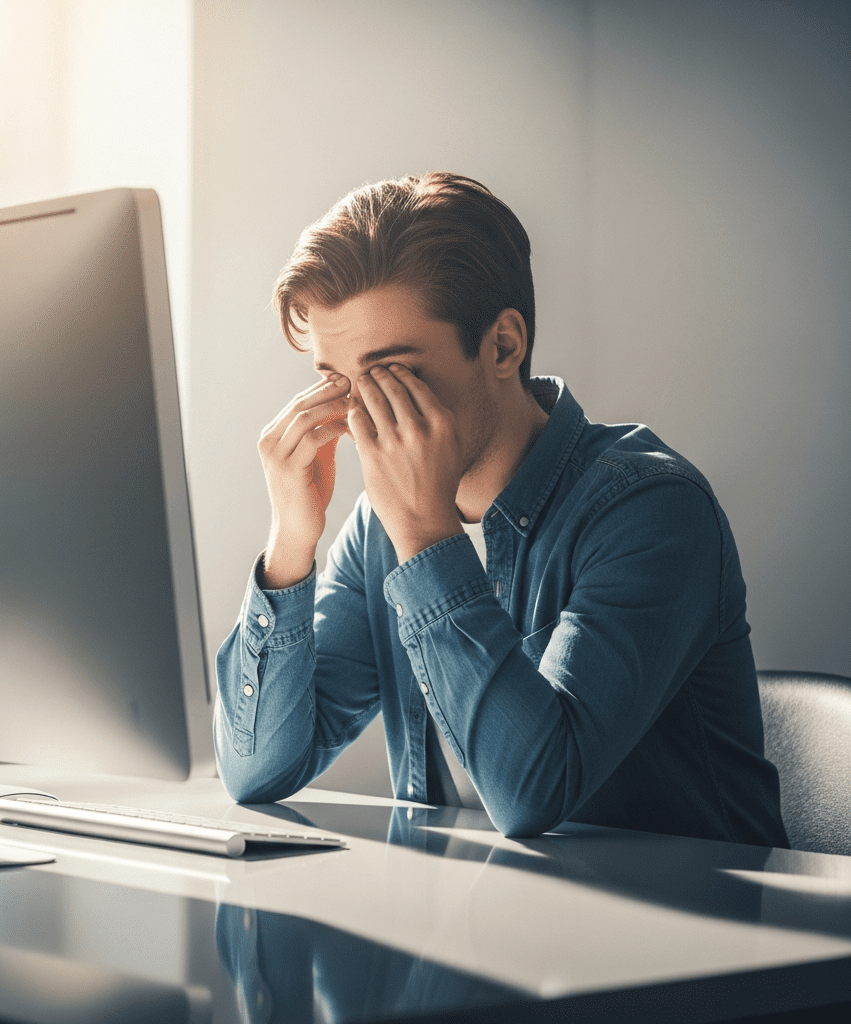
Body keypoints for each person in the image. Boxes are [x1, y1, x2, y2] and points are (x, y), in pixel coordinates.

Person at [213, 172, 788, 847]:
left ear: (503, 346)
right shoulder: (381, 525)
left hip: (705, 936)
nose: (359, 415)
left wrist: (426, 537)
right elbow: (256, 772)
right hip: (483, 925)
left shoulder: (650, 510)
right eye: (336, 382)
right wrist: (290, 544)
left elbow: (533, 793)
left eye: (393, 374)